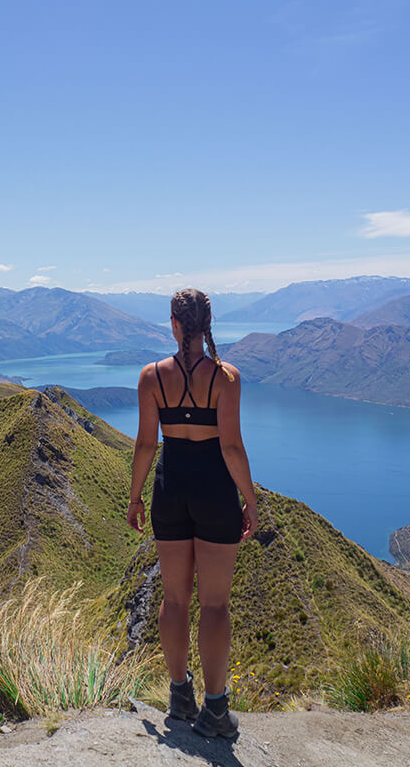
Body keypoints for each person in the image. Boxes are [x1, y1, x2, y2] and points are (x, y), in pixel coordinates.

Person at [127, 287, 258, 738]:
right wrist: (251, 500)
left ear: (174, 323)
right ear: (208, 324)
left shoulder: (151, 377)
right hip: (214, 491)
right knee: (215, 603)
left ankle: (179, 695)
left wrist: (134, 497)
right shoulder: (226, 377)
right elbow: (232, 446)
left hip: (169, 489)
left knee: (175, 599)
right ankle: (215, 710)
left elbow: (146, 444)